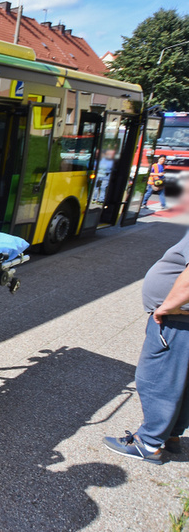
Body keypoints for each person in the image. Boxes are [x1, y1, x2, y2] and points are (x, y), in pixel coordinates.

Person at [104, 186, 189, 464]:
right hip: (182, 318)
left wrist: (168, 306)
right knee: (179, 380)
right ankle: (171, 435)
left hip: (177, 318)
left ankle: (148, 443)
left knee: (156, 380)